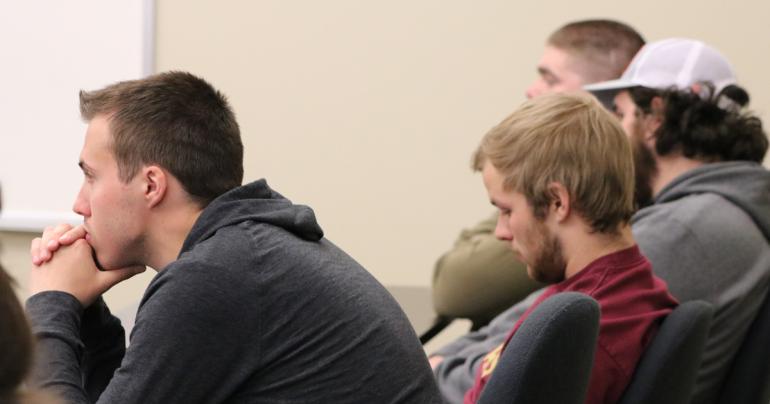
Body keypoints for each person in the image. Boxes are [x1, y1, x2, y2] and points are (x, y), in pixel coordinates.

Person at [25, 71, 441, 403]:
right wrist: (83, 312)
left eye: (91, 177)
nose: (80, 204)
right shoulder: (246, 256)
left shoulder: (216, 278)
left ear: (151, 185)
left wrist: (50, 303)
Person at [435, 38, 770, 404]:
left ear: (655, 119)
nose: (614, 131)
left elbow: (525, 355)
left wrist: (435, 368)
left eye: (621, 114)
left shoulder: (682, 232)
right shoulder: (630, 266)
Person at [463, 92, 677, 403]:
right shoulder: (628, 293)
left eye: (507, 211)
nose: (500, 232)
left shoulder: (581, 337)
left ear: (557, 202)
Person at [431, 19, 645, 328]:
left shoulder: (570, 228)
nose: (532, 90)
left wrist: (448, 366)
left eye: (550, 79)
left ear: (605, 100)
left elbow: (455, 286)